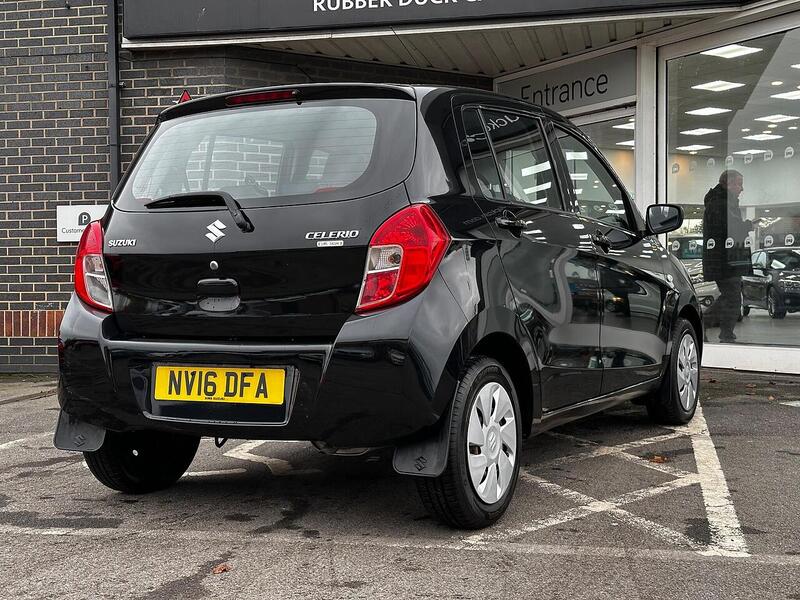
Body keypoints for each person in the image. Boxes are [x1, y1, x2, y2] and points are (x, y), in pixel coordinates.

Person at [702, 170, 754, 343]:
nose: (742, 188)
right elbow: (727, 230)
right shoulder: (720, 204)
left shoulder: (725, 203)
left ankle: (723, 331)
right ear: (729, 184)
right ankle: (710, 325)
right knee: (732, 297)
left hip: (727, 259)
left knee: (730, 296)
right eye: (739, 183)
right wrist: (747, 226)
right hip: (723, 260)